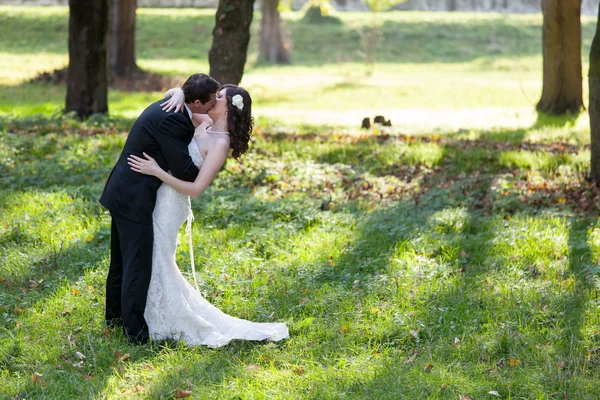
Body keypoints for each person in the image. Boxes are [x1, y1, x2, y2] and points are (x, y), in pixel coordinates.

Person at [127, 85, 289, 347]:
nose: (215, 98)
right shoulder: (204, 121)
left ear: (228, 106)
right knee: (152, 256)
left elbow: (197, 189)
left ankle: (163, 319)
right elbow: (176, 97)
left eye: (220, 96)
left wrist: (157, 171)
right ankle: (147, 314)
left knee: (159, 257)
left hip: (172, 204)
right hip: (156, 196)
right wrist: (179, 92)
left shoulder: (221, 142)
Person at [99, 73, 219, 343]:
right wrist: (207, 161)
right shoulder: (174, 119)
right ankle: (135, 333)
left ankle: (114, 318)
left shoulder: (174, 105)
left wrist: (177, 92)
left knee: (121, 262)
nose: (212, 108)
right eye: (210, 104)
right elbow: (186, 172)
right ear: (197, 102)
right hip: (134, 198)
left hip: (122, 192)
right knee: (136, 265)